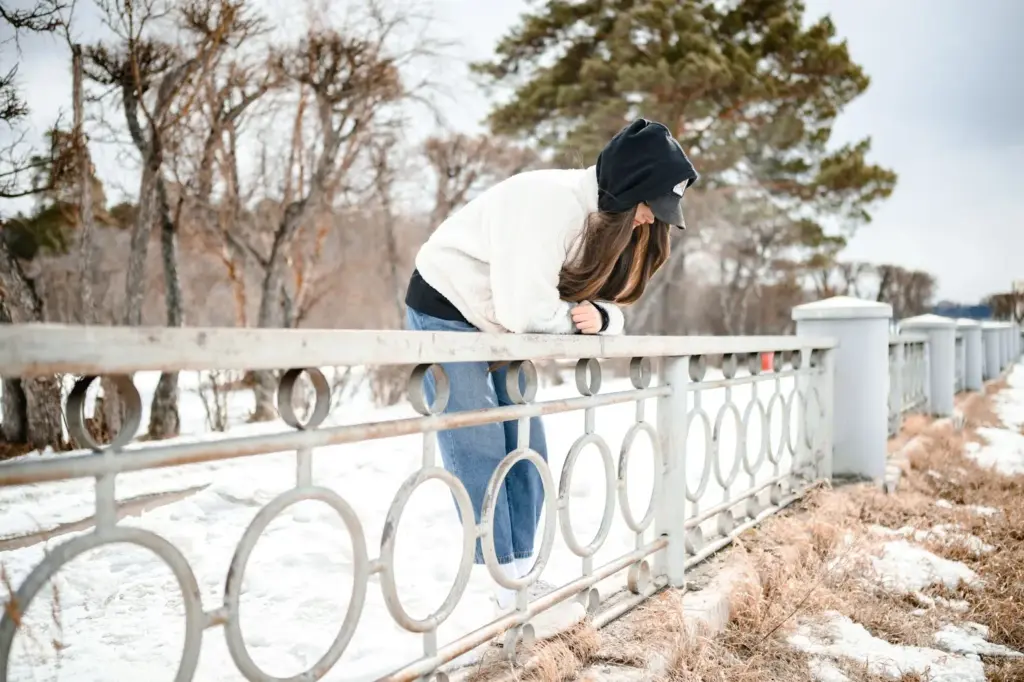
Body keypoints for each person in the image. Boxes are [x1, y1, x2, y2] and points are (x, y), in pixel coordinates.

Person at [405, 118, 698, 618]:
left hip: (497, 324)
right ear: (629, 186)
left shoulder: (603, 221)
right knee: (478, 444)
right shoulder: (549, 204)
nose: (651, 219)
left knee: (525, 444)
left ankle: (521, 574)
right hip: (448, 309)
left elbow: (589, 309)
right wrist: (585, 322)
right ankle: (501, 587)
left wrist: (605, 318)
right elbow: (529, 315)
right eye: (652, 205)